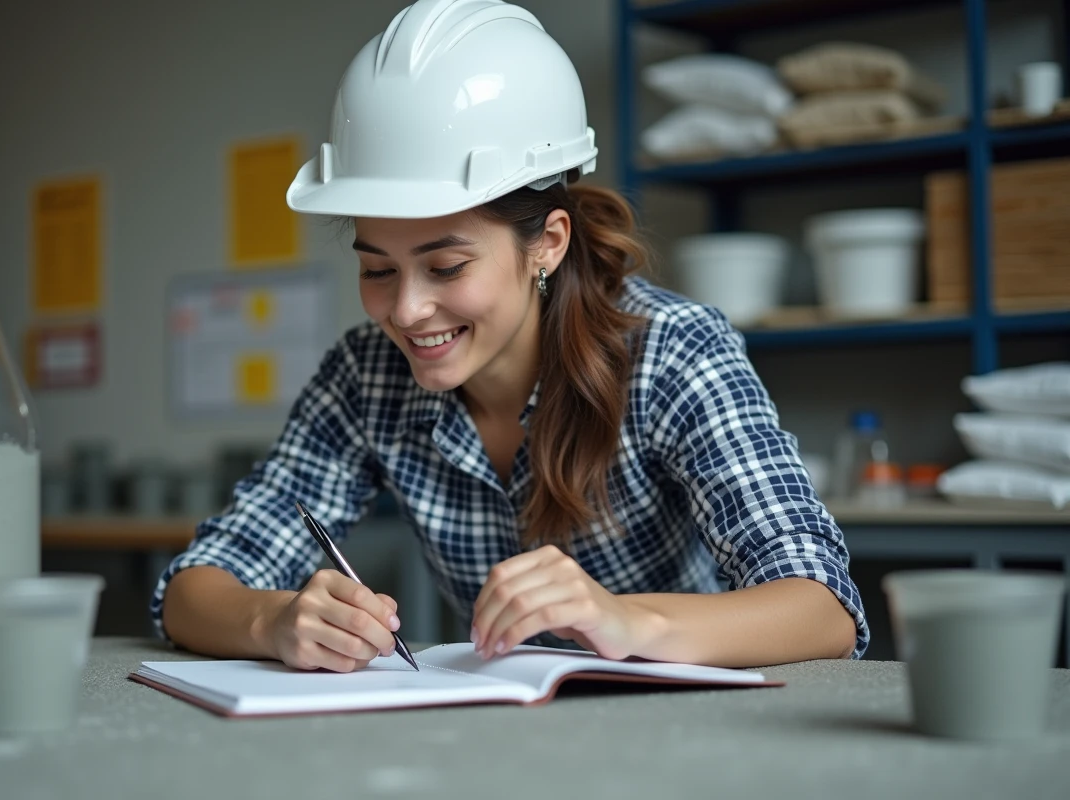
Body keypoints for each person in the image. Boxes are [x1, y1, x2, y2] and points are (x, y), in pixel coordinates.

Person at [154, 0, 868, 672]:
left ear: (547, 245)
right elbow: (193, 589)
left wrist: (627, 622)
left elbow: (824, 607)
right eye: (377, 269)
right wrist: (272, 620)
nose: (405, 311)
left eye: (446, 265)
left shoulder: (674, 352)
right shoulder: (365, 376)